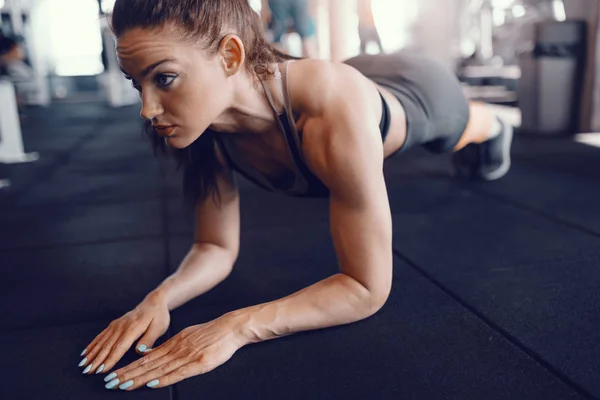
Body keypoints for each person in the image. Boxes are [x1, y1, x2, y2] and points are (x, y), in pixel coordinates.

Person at [79, 0, 513, 391]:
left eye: (165, 78)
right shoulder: (201, 126)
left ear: (230, 55)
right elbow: (214, 246)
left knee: (457, 135)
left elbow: (365, 287)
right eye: (138, 84)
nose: (147, 108)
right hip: (357, 72)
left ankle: (493, 125)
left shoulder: (328, 105)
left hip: (421, 91)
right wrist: (160, 299)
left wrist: (236, 327)